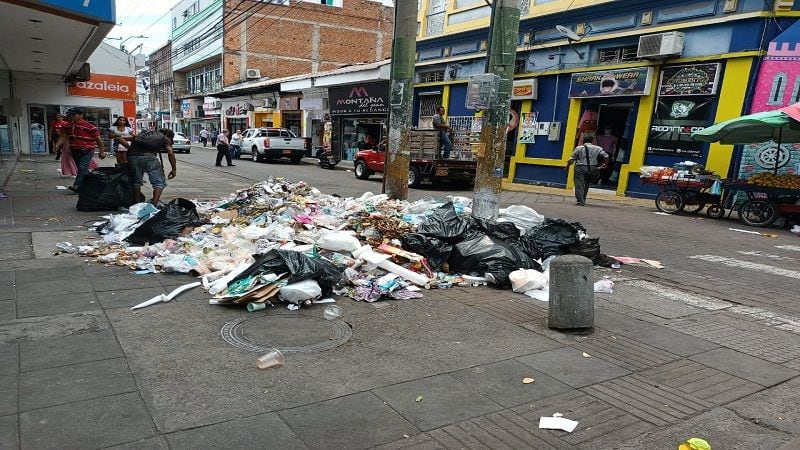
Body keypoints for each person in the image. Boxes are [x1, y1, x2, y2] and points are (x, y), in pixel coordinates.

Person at [117, 128, 177, 206]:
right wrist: (174, 169)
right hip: (149, 157)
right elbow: (170, 152)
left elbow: (120, 138)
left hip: (132, 157)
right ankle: (153, 204)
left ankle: (137, 204)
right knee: (159, 183)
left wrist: (129, 148)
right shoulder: (165, 138)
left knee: (136, 182)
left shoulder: (144, 135)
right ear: (168, 135)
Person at [55, 107, 105, 193]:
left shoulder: (90, 126)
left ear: (81, 115)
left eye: (74, 114)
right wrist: (57, 145)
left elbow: (98, 140)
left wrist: (102, 151)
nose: (71, 116)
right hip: (74, 150)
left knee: (82, 167)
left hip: (87, 150)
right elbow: (63, 136)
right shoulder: (67, 126)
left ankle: (77, 186)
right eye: (70, 115)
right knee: (83, 169)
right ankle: (94, 183)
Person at [565, 132, 608, 206]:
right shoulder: (597, 148)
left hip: (580, 168)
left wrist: (568, 166)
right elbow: (606, 156)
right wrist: (605, 164)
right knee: (587, 184)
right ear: (592, 140)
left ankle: (580, 201)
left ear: (583, 140)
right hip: (592, 168)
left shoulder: (579, 148)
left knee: (579, 184)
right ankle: (583, 199)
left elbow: (572, 159)